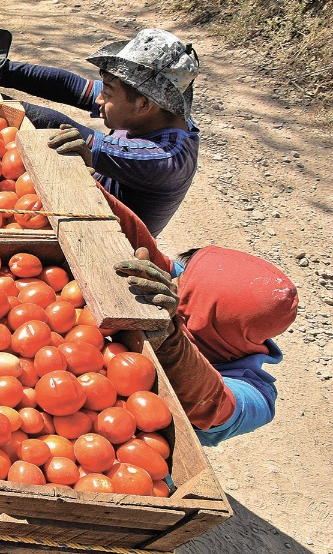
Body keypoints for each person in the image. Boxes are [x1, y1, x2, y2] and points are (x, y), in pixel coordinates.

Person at [105, 190, 298, 445]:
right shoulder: (198, 292)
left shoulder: (257, 398)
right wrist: (93, 191)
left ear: (200, 315)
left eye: (180, 286)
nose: (172, 280)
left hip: (131, 443)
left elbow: (212, 405)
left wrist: (170, 337)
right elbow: (150, 254)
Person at [0, 28, 201, 237]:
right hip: (83, 204)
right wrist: (1, 69)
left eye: (107, 92)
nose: (99, 99)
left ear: (144, 104)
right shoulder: (156, 113)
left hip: (105, 241)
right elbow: (70, 86)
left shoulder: (166, 158)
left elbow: (67, 132)